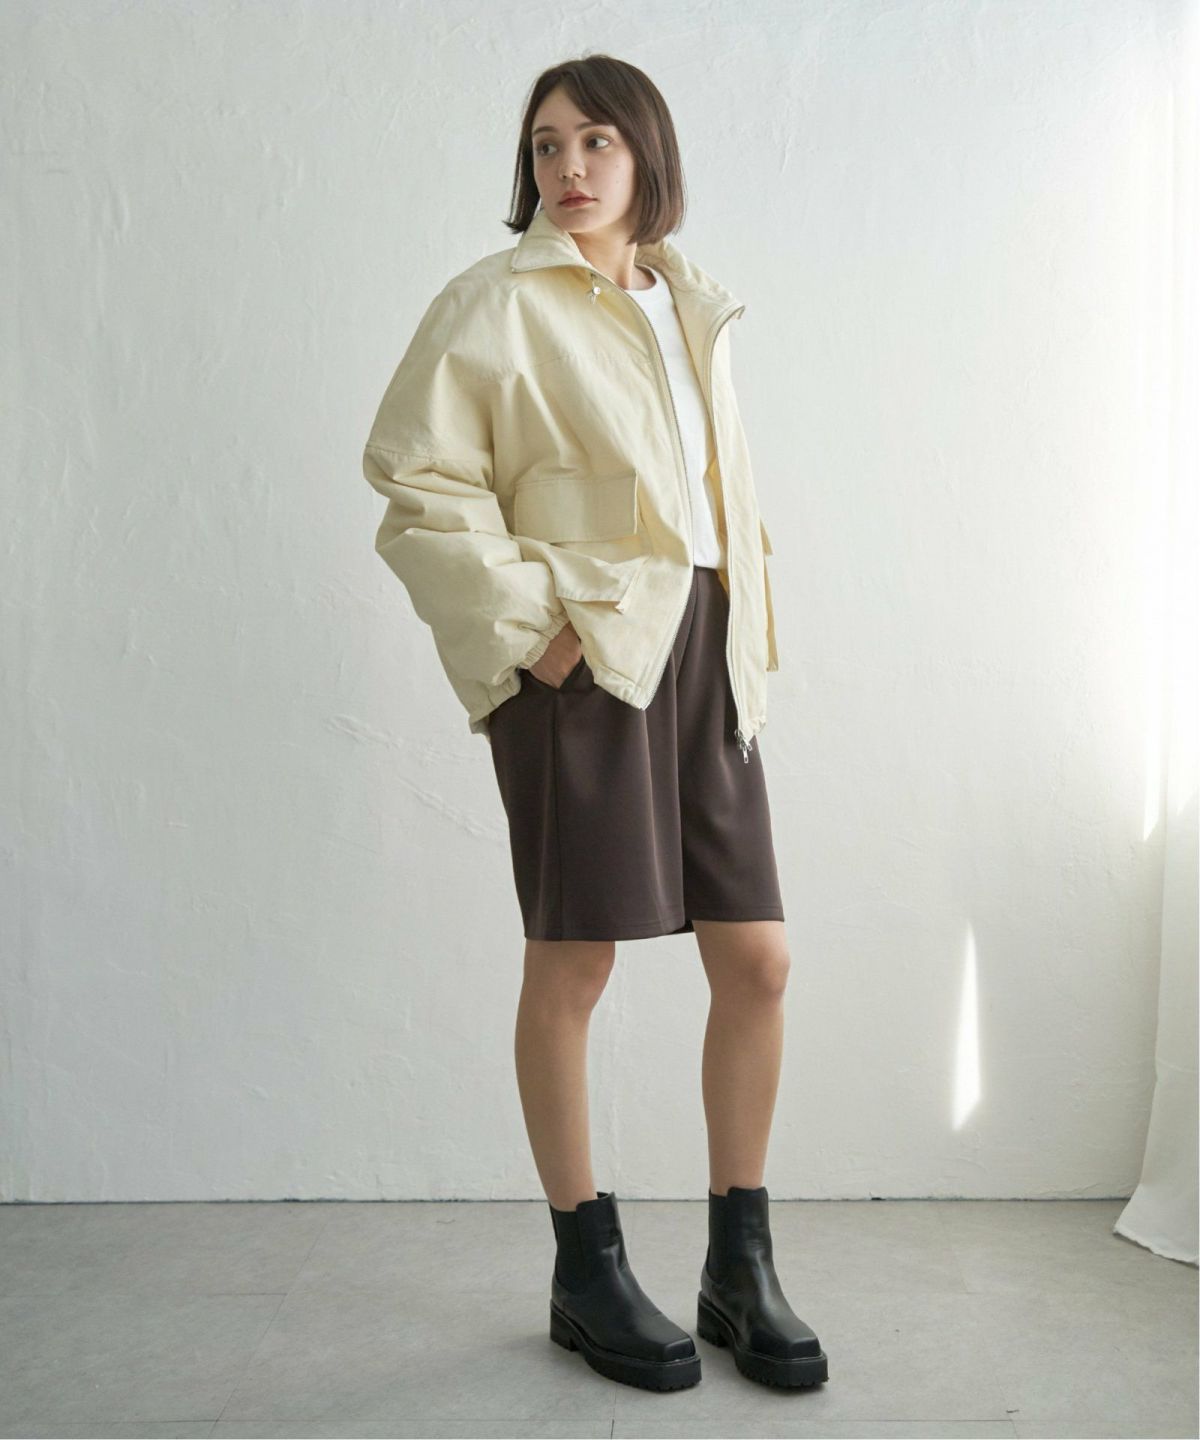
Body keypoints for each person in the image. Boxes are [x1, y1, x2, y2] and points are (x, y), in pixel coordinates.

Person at [362, 54, 828, 1394]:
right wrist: (536, 634)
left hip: (709, 651)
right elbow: (417, 482)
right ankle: (586, 1267)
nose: (569, 168)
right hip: (584, 665)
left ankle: (739, 1266)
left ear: (646, 156)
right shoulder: (495, 303)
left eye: (597, 142)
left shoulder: (691, 300)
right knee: (574, 965)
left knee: (759, 960)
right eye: (547, 145)